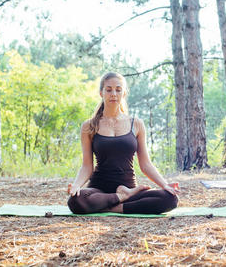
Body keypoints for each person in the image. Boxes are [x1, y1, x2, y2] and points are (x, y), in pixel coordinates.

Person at [67, 72, 179, 214]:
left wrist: (164, 184)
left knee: (170, 199)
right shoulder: (89, 126)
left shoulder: (136, 124)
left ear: (124, 93)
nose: (113, 94)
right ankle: (120, 197)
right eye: (108, 89)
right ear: (101, 93)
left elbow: (145, 164)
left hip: (129, 188)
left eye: (118, 89)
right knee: (76, 201)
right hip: (99, 189)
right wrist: (76, 186)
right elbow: (87, 166)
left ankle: (114, 206)